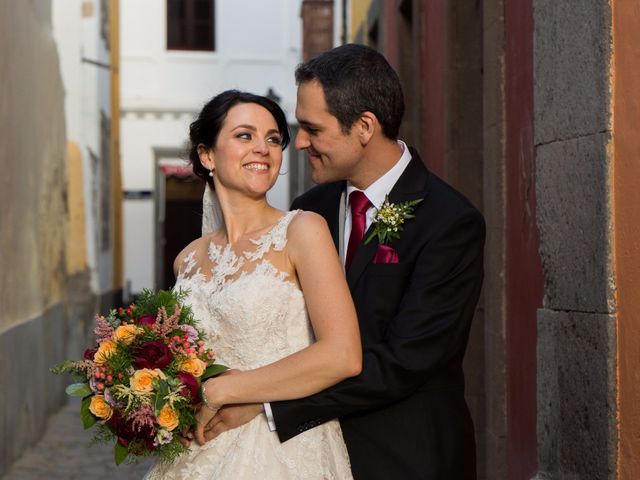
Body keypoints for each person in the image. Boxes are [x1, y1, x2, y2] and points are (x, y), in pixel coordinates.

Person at [205, 44, 485, 479]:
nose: (299, 143)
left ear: (364, 127)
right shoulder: (307, 210)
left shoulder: (449, 222)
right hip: (307, 457)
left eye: (312, 129)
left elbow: (403, 362)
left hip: (406, 457)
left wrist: (268, 405)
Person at [144, 90, 361, 479]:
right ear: (207, 155)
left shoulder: (302, 230)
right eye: (244, 136)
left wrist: (223, 391)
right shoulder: (187, 259)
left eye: (274, 139)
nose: (263, 148)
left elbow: (343, 354)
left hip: (283, 450)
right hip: (198, 451)